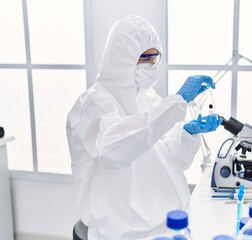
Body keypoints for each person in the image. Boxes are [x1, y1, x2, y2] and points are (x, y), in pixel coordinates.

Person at [66, 15, 223, 240]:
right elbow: (114, 150)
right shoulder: (92, 104)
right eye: (145, 58)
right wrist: (177, 101)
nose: (152, 66)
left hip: (165, 221)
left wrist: (187, 133)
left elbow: (171, 158)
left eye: (155, 58)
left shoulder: (145, 97)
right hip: (121, 231)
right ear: (122, 58)